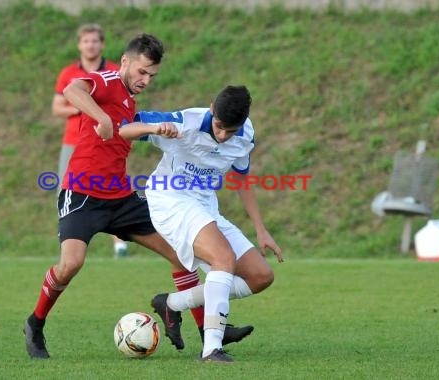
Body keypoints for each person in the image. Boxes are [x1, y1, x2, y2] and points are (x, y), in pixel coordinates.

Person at [24, 35, 252, 359]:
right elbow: (72, 90)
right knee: (70, 265)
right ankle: (35, 323)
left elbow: (137, 129)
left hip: (121, 196)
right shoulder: (107, 81)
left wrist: (157, 129)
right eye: (142, 72)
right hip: (82, 193)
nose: (145, 81)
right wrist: (101, 118)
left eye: (152, 76)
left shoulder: (131, 101)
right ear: (125, 61)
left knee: (179, 253)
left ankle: (209, 331)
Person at [119, 85, 284, 363]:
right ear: (211, 109)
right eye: (219, 127)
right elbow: (125, 127)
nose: (222, 136)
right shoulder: (185, 122)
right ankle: (211, 349)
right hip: (170, 200)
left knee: (260, 276)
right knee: (223, 258)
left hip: (205, 207)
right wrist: (156, 129)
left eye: (229, 131)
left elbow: (242, 178)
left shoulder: (245, 135)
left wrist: (261, 229)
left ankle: (171, 304)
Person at [51, 23, 128, 258]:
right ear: (79, 45)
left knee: (113, 188)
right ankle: (70, 239)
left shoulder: (114, 71)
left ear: (102, 44)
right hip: (74, 141)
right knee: (67, 187)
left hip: (105, 140)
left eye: (95, 41)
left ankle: (120, 245)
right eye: (86, 41)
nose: (90, 45)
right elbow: (57, 107)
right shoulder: (68, 74)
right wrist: (83, 108)